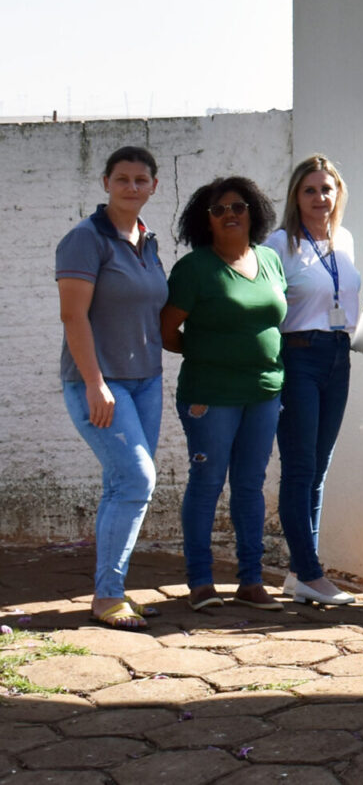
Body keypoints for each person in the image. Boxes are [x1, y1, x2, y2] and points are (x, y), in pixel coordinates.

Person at [161, 175, 288, 612]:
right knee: (208, 483)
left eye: (238, 206)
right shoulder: (194, 269)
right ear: (206, 221)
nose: (230, 215)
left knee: (250, 486)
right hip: (210, 397)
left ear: (253, 211)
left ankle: (251, 582)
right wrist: (209, 355)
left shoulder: (270, 260)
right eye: (219, 210)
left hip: (265, 392)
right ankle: (200, 583)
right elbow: (166, 331)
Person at [56, 145, 170, 630]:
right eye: (121, 178)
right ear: (105, 183)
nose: (131, 187)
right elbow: (72, 315)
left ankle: (109, 589)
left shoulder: (147, 240)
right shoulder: (85, 239)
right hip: (100, 383)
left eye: (140, 179)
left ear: (153, 186)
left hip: (147, 381)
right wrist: (95, 383)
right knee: (139, 480)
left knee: (120, 485)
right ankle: (108, 595)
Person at [263, 155, 361, 607]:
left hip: (338, 358)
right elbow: (268, 307)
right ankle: (310, 573)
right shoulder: (280, 243)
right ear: (295, 196)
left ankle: (299, 572)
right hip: (297, 357)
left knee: (318, 470)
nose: (320, 198)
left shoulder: (345, 241)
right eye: (310, 190)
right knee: (300, 470)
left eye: (327, 189)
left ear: (338, 193)